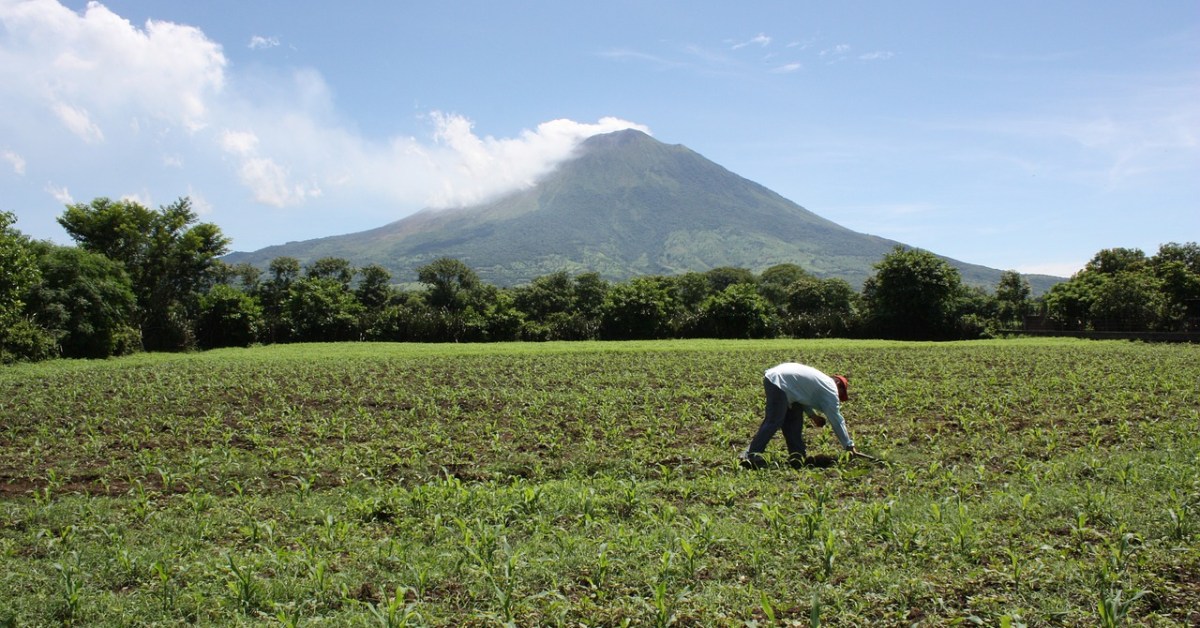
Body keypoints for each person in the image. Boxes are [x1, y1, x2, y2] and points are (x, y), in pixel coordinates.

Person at [740, 362, 860, 469]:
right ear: (838, 383)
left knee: (794, 422)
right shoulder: (831, 390)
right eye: (841, 394)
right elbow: (837, 421)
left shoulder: (822, 382)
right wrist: (849, 445)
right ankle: (751, 455)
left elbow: (802, 396)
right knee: (774, 421)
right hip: (779, 381)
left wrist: (813, 416)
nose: (839, 397)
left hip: (784, 382)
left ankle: (797, 457)